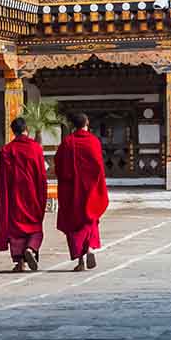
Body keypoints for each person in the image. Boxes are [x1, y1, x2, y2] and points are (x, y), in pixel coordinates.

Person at [53, 112, 109, 271]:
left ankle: (80, 262)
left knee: (74, 224)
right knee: (90, 219)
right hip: (90, 190)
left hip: (72, 192)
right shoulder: (93, 141)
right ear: (87, 123)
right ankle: (90, 247)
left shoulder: (67, 143)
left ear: (72, 125)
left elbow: (59, 167)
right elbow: (99, 166)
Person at [0, 117, 47, 272]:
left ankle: (20, 263)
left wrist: (3, 197)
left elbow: (2, 178)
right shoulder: (36, 148)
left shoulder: (6, 150)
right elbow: (41, 175)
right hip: (32, 195)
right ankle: (31, 249)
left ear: (13, 132)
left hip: (14, 196)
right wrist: (42, 196)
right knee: (34, 226)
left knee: (16, 230)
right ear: (27, 129)